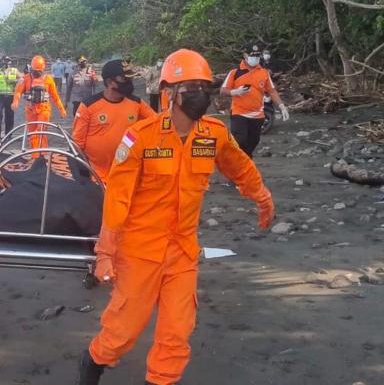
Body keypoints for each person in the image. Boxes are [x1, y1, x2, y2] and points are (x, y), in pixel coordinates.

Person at [76, 48, 275, 385]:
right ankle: (93, 365)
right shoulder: (141, 138)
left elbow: (240, 166)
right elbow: (118, 197)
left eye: (204, 87)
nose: (201, 95)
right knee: (121, 332)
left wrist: (262, 197)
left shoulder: (212, 135)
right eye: (191, 88)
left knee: (176, 334)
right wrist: (106, 252)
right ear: (169, 93)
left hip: (182, 252)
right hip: (140, 252)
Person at [72, 59, 155, 184]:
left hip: (127, 174)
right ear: (110, 82)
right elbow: (77, 143)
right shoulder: (88, 106)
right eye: (125, 80)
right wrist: (83, 174)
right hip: (96, 177)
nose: (129, 83)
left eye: (130, 79)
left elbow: (156, 122)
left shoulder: (136, 103)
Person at [220, 43, 289, 158]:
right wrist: (234, 92)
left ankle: (246, 162)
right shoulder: (235, 72)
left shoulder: (264, 72)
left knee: (253, 141)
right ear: (245, 55)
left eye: (257, 55)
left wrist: (282, 106)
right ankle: (232, 161)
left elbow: (272, 91)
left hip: (258, 115)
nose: (255, 58)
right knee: (239, 140)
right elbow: (222, 90)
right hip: (239, 113)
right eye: (253, 55)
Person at [12, 55, 67, 149]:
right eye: (34, 71)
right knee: (32, 133)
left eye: (38, 71)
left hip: (44, 109)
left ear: (43, 69)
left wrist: (62, 109)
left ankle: (41, 154)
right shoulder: (25, 79)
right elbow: (18, 92)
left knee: (40, 131)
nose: (36, 73)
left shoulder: (48, 79)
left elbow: (55, 96)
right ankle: (35, 155)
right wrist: (15, 101)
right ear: (31, 69)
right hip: (30, 109)